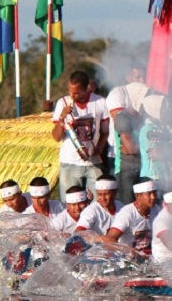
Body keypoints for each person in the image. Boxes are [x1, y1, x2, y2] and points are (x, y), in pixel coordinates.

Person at [51, 70, 110, 200]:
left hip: (93, 163)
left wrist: (99, 148)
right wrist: (62, 117)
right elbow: (56, 137)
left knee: (98, 204)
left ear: (86, 88)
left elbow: (105, 132)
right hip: (70, 162)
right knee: (70, 204)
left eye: (76, 92)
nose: (72, 95)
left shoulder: (100, 102)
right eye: (69, 91)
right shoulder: (63, 103)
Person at [105, 67, 150, 203]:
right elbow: (118, 117)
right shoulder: (118, 93)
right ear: (128, 77)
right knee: (126, 205)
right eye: (138, 77)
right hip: (121, 159)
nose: (142, 81)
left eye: (143, 77)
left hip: (142, 163)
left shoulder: (146, 93)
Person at [104, 176, 160, 256]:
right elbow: (109, 239)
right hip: (127, 261)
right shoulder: (127, 213)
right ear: (137, 196)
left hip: (148, 260)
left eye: (154, 193)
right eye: (149, 194)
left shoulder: (156, 209)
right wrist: (127, 250)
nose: (153, 197)